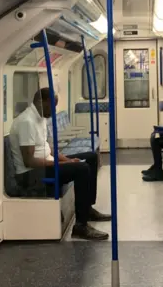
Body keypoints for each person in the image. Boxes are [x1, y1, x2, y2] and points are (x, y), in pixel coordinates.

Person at [10, 88, 111, 240]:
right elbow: (29, 161)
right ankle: (80, 226)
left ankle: (87, 208)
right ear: (41, 102)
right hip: (31, 173)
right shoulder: (26, 122)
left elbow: (47, 150)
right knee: (82, 169)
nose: (55, 110)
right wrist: (62, 165)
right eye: (53, 105)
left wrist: (66, 160)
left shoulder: (40, 118)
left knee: (90, 157)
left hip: (45, 164)